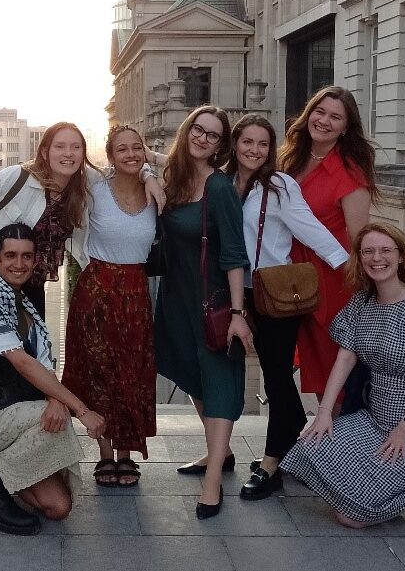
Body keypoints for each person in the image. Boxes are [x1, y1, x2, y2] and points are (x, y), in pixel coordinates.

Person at [0, 122, 163, 499]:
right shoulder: (16, 178)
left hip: (27, 282)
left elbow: (125, 165)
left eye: (75, 147)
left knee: (26, 364)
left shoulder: (81, 185)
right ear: (44, 150)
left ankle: (7, 448)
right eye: (60, 146)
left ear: (83, 155)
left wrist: (147, 172)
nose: (68, 153)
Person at [279, 223, 405, 528]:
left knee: (351, 516)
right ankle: (377, 487)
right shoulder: (363, 302)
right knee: (308, 449)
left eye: (385, 250)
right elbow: (345, 357)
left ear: (401, 256)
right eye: (368, 251)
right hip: (372, 421)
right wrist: (325, 412)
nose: (376, 258)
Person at [0, 223, 106, 535]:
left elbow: (44, 368)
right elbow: (22, 362)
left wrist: (56, 399)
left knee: (58, 507)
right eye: (10, 255)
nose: (19, 263)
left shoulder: (26, 309)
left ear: (35, 260)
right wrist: (80, 410)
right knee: (53, 417)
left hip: (4, 415)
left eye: (27, 256)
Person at [224, 114, 349, 500]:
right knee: (271, 374)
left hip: (275, 296)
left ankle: (271, 463)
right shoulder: (224, 181)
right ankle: (292, 435)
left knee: (276, 377)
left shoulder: (279, 185)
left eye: (263, 144)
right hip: (238, 294)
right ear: (235, 143)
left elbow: (310, 229)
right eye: (248, 142)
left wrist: (350, 267)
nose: (255, 150)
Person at [153, 105, 253, 519]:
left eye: (213, 135)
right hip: (177, 296)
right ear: (187, 130)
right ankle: (221, 453)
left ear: (220, 145)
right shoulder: (175, 178)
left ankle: (213, 480)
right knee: (192, 373)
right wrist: (148, 175)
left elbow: (234, 255)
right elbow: (139, 156)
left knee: (218, 381)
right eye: (198, 129)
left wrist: (238, 313)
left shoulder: (219, 188)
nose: (203, 138)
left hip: (213, 300)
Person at [62, 125, 157, 487]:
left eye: (137, 147)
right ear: (111, 156)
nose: (131, 154)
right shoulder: (95, 186)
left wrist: (149, 171)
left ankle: (126, 454)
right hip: (97, 290)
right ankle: (105, 453)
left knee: (133, 373)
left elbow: (180, 163)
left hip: (136, 293)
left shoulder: (157, 187)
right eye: (122, 149)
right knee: (99, 372)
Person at [277, 86, 378, 406]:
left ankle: (337, 430)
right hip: (291, 273)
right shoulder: (289, 158)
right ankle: (326, 427)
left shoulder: (350, 173)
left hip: (331, 279)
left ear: (346, 127)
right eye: (319, 112)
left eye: (335, 117)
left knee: (331, 363)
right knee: (312, 361)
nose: (324, 121)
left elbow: (359, 238)